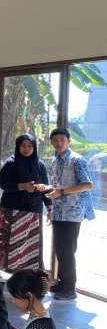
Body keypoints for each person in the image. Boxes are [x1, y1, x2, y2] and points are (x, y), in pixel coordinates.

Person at [42, 127, 94, 300]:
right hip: (59, 211)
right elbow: (57, 187)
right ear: (51, 142)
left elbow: (87, 184)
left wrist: (61, 192)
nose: (59, 143)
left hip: (72, 212)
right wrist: (46, 189)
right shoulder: (55, 161)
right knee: (60, 250)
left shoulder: (77, 160)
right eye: (55, 140)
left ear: (69, 141)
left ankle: (70, 289)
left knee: (67, 250)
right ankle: (63, 283)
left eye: (62, 140)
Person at [0, 134, 51, 271]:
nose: (26, 148)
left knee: (29, 244)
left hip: (33, 211)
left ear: (34, 147)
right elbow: (4, 184)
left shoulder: (39, 165)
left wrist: (50, 207)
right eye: (23, 145)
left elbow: (45, 187)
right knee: (4, 241)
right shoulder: (11, 163)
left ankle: (25, 273)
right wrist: (22, 186)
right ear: (18, 147)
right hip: (11, 209)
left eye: (30, 146)